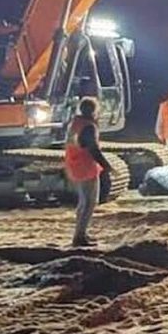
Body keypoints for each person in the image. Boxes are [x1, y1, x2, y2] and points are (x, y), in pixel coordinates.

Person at [64, 97, 113, 247]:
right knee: (90, 202)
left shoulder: (75, 123)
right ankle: (79, 237)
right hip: (86, 166)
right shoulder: (89, 126)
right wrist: (106, 165)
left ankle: (81, 233)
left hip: (75, 163)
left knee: (83, 202)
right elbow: (93, 149)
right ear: (94, 110)